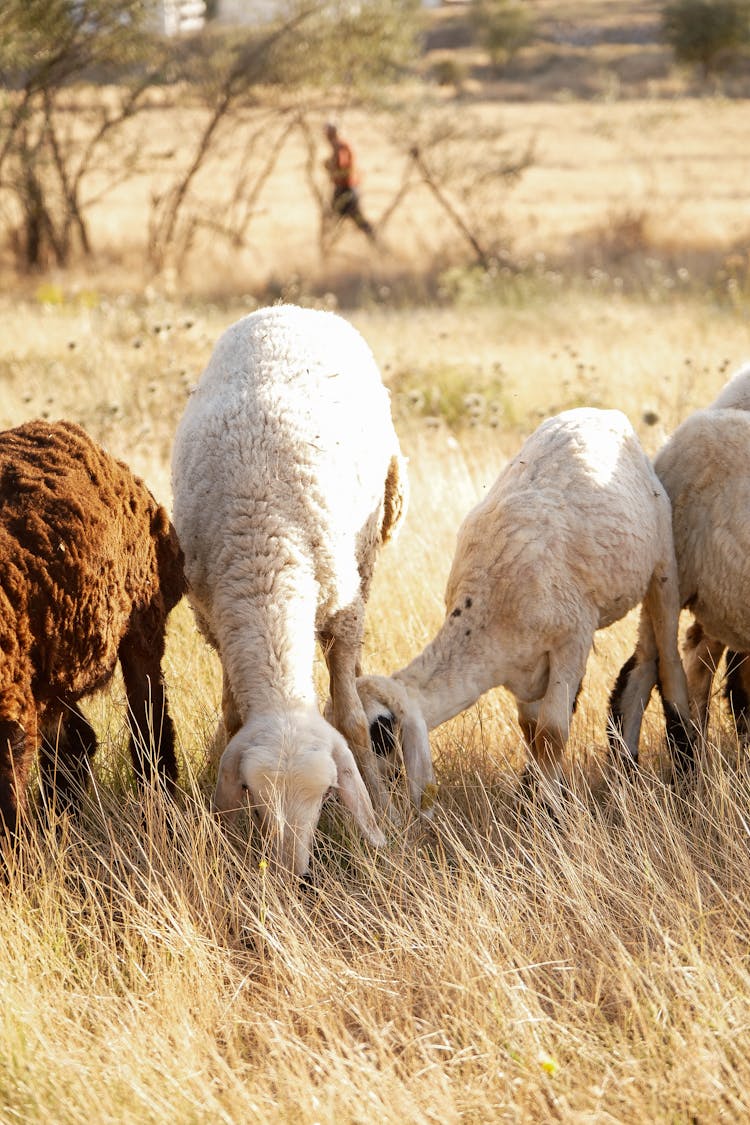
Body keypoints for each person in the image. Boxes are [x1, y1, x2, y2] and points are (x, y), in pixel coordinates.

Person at [323, 122, 376, 242]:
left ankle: (378, 244)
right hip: (345, 187)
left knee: (338, 217)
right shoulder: (339, 145)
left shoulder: (340, 146)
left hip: (346, 188)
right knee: (337, 217)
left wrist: (330, 167)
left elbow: (345, 167)